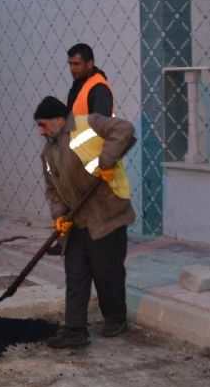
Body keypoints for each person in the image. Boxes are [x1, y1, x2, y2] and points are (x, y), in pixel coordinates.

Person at [34, 95, 135, 348]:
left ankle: (115, 318)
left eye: (44, 125)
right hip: (77, 219)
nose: (41, 131)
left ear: (59, 120)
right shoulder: (48, 153)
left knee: (106, 272)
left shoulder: (88, 123)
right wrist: (59, 218)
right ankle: (75, 330)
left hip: (106, 213)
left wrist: (107, 161)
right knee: (75, 272)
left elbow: (124, 129)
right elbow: (53, 190)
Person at [65, 43, 115, 116]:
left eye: (76, 64)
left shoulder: (99, 88)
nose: (72, 69)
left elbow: (100, 124)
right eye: (70, 64)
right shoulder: (77, 85)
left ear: (89, 64)